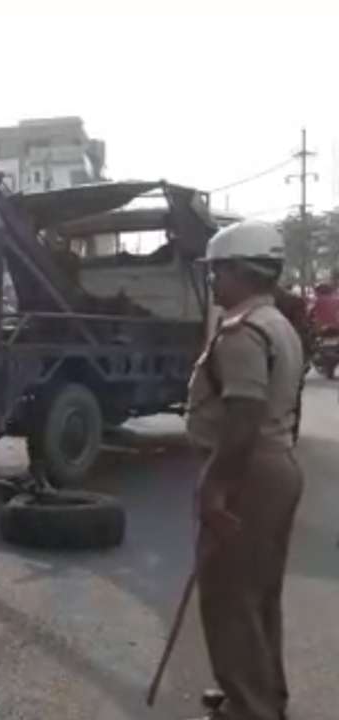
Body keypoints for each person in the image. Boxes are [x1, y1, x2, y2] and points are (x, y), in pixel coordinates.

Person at [185, 221, 304, 720]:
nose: (213, 282)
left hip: (249, 471)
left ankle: (250, 709)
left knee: (230, 595)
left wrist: (215, 487)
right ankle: (259, 693)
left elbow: (244, 414)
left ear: (240, 271)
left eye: (218, 272)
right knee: (257, 594)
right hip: (274, 465)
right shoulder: (276, 323)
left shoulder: (242, 332)